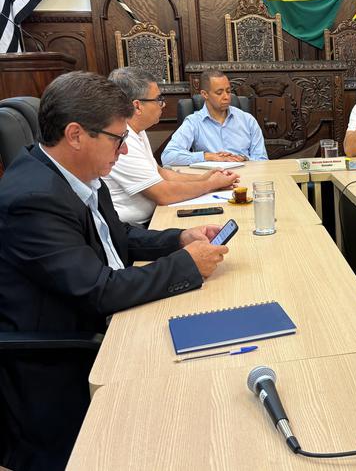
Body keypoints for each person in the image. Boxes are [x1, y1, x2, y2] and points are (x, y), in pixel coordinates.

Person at [0, 71, 229, 470]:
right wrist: (186, 266)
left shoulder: (77, 174)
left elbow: (116, 235)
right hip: (63, 357)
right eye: (117, 138)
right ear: (75, 135)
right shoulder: (33, 199)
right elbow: (100, 290)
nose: (124, 150)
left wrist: (178, 239)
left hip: (105, 321)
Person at [104, 67, 239, 225]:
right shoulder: (122, 139)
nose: (163, 104)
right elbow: (163, 194)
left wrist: (205, 177)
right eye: (158, 99)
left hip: (152, 218)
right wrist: (211, 184)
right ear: (137, 106)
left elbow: (161, 173)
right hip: (133, 228)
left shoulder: (137, 130)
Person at [161, 70, 268, 165]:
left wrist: (245, 159)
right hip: (212, 177)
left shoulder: (247, 120)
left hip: (246, 176)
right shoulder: (193, 122)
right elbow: (168, 156)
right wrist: (208, 156)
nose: (226, 97)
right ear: (205, 94)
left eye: (228, 91)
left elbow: (262, 160)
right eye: (219, 93)